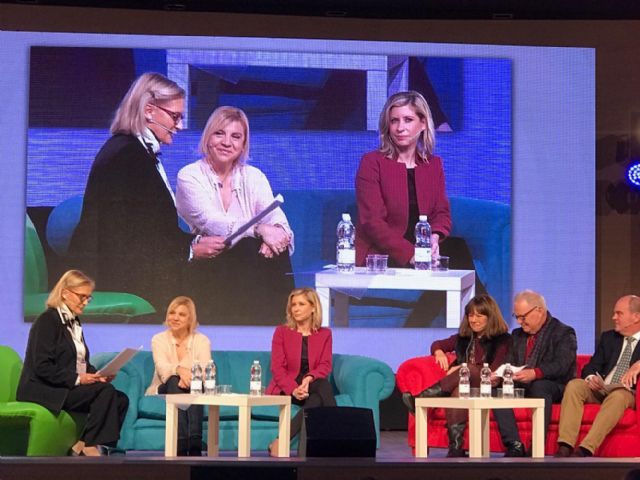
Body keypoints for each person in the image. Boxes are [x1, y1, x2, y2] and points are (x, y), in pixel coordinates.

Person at [69, 72, 222, 311]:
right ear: (149, 111)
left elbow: (149, 227)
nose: (180, 126)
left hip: (135, 269)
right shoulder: (126, 155)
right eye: (175, 117)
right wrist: (190, 250)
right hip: (122, 280)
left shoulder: (133, 151)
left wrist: (194, 242)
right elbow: (127, 238)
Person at [176, 106, 294, 325]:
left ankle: (285, 334)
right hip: (209, 264)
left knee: (274, 250)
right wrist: (259, 230)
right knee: (248, 247)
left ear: (243, 145)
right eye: (219, 133)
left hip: (253, 267)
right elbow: (212, 223)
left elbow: (278, 220)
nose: (227, 142)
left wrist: (275, 237)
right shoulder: (189, 176)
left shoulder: (253, 176)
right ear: (208, 138)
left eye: (236, 137)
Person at [16, 270, 129, 456]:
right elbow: (41, 367)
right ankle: (91, 446)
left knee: (120, 399)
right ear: (65, 293)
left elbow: (79, 361)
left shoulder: (75, 322)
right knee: (105, 392)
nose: (85, 302)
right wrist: (78, 379)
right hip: (45, 388)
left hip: (65, 385)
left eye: (88, 298)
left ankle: (88, 443)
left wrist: (98, 375)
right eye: (82, 297)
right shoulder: (47, 320)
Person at [401, 294, 514, 457]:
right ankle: (456, 447)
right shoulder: (464, 337)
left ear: (490, 317)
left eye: (479, 316)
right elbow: (437, 344)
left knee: (466, 369)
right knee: (459, 391)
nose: (473, 320)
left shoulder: (503, 339)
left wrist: (462, 368)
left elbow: (494, 370)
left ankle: (423, 397)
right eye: (470, 315)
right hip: (466, 384)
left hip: (489, 384)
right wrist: (439, 352)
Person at [355, 90, 451, 268]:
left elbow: (441, 213)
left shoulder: (433, 164)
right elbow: (372, 221)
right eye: (394, 121)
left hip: (423, 248)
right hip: (385, 250)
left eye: (408, 120)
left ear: (423, 123)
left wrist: (434, 238)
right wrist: (411, 254)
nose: (400, 128)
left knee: (460, 252)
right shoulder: (371, 162)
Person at [492, 290, 577, 456]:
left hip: (554, 385)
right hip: (522, 383)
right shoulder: (517, 335)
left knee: (539, 386)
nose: (519, 322)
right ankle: (514, 444)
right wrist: (500, 375)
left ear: (539, 310)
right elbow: (509, 362)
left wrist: (535, 373)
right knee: (496, 391)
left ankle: (536, 445)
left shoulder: (563, 332)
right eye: (516, 317)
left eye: (523, 317)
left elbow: (562, 365)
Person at [554, 295, 640, 457]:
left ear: (636, 317)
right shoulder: (609, 338)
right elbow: (591, 366)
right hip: (601, 388)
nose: (614, 317)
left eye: (619, 313)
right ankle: (565, 444)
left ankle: (586, 448)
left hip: (626, 392)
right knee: (575, 385)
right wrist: (590, 378)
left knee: (618, 397)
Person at [265, 287, 336, 456]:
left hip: (311, 385)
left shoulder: (325, 334)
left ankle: (281, 440)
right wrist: (293, 389)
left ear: (313, 308)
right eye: (293, 304)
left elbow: (325, 365)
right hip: (286, 387)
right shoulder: (281, 332)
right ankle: (336, 438)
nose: (295, 308)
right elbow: (277, 368)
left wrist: (309, 379)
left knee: (319, 391)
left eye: (301, 304)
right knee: (321, 395)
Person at [146, 296, 211, 456]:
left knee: (196, 385)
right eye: (172, 313)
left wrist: (189, 376)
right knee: (174, 380)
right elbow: (162, 368)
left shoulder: (201, 340)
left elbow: (204, 369)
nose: (175, 318)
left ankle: (194, 440)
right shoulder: (159, 339)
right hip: (164, 387)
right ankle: (183, 442)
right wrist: (180, 371)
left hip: (192, 386)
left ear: (191, 319)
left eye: (181, 315)